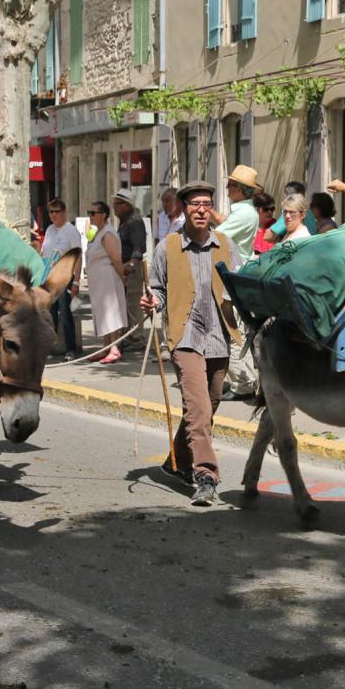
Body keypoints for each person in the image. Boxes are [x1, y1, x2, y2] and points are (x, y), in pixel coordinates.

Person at [141, 181, 242, 507]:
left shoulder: (226, 245)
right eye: (195, 204)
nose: (201, 209)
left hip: (219, 336)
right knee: (198, 409)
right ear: (184, 208)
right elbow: (157, 288)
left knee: (208, 406)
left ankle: (177, 462)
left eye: (206, 204)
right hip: (185, 337)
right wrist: (151, 301)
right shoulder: (167, 247)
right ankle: (206, 476)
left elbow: (241, 285)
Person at [216, 165, 262, 401]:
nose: (227, 188)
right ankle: (243, 379)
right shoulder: (244, 212)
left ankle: (242, 382)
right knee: (234, 331)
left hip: (232, 278)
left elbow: (217, 236)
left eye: (231, 185)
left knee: (233, 331)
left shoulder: (244, 214)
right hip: (234, 276)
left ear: (240, 190)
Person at [83, 201, 127, 363]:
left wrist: (122, 277)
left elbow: (116, 258)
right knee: (102, 312)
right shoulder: (98, 233)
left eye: (93, 213)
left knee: (111, 311)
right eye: (89, 213)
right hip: (99, 280)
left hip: (108, 278)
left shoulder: (107, 234)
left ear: (103, 215)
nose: (90, 216)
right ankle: (106, 347)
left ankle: (114, 348)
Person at [39, 198, 83, 360]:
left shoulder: (71, 231)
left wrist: (77, 281)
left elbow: (78, 257)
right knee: (50, 314)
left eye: (57, 211)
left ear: (64, 212)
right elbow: (45, 254)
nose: (54, 215)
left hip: (66, 276)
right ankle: (50, 347)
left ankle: (70, 348)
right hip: (50, 277)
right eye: (51, 211)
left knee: (65, 313)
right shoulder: (50, 230)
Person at [112, 188, 147, 353]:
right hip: (124, 266)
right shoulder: (124, 221)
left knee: (134, 303)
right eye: (114, 203)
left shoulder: (134, 221)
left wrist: (131, 265)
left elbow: (139, 247)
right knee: (125, 303)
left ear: (127, 205)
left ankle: (137, 338)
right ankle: (128, 335)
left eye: (118, 204)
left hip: (131, 266)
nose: (114, 207)